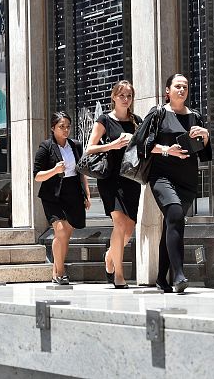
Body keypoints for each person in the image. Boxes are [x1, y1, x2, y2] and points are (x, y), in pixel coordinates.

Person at [147, 74, 211, 293]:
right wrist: (167, 150)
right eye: (177, 86)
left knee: (171, 223)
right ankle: (179, 275)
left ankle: (160, 278)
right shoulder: (158, 113)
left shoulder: (195, 116)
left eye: (185, 86)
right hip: (161, 176)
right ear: (168, 90)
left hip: (187, 179)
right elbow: (142, 144)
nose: (182, 90)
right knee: (175, 215)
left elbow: (204, 155)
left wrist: (206, 137)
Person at [84, 80, 142, 288]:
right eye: (122, 95)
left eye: (129, 96)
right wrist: (113, 145)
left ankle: (110, 256)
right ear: (114, 97)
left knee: (129, 228)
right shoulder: (104, 120)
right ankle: (119, 274)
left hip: (131, 179)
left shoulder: (137, 121)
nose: (125, 99)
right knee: (119, 223)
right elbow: (89, 148)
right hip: (110, 179)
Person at [34, 112, 92, 285]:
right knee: (60, 231)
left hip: (73, 192)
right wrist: (54, 170)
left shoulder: (75, 145)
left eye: (68, 126)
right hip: (52, 194)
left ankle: (55, 272)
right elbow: (37, 176)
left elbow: (81, 171)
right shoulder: (46, 147)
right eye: (61, 126)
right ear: (53, 128)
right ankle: (60, 272)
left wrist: (86, 193)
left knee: (65, 235)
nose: (65, 130)